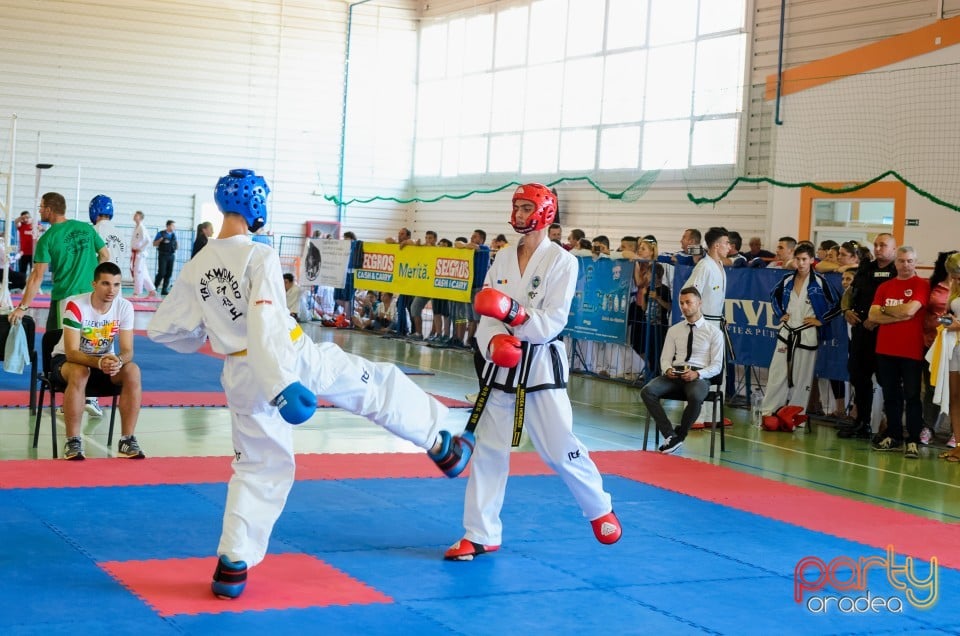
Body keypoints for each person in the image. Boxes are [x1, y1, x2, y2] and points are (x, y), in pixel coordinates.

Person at [147, 169, 474, 599]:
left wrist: (214, 332)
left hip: (239, 375)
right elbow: (264, 324)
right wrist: (281, 384)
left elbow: (165, 330)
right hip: (289, 360)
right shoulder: (258, 256)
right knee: (376, 385)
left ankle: (233, 564)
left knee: (256, 466)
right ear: (255, 205)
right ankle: (443, 445)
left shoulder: (197, 264)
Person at [444, 183, 621, 562]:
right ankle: (480, 533)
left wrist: (514, 315)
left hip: (540, 364)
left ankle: (598, 506)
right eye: (517, 207)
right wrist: (492, 342)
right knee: (490, 451)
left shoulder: (563, 261)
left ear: (545, 212)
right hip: (501, 365)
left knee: (560, 447)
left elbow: (554, 320)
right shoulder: (502, 257)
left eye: (527, 208)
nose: (520, 214)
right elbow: (486, 315)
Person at [54, 262, 145, 460]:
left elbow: (128, 351)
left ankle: (127, 440)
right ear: (94, 284)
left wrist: (118, 361)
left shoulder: (124, 307)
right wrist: (99, 362)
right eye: (105, 284)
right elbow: (71, 352)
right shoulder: (76, 306)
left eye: (116, 285)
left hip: (104, 363)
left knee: (133, 371)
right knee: (80, 371)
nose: (111, 290)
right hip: (68, 363)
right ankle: (73, 441)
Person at [759, 243, 841, 420]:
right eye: (798, 259)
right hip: (786, 331)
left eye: (805, 259)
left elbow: (838, 304)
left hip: (807, 332)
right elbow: (774, 296)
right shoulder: (787, 279)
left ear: (812, 260)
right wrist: (780, 313)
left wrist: (821, 320)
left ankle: (796, 415)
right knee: (777, 372)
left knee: (803, 377)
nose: (801, 263)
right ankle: (769, 412)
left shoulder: (820, 281)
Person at [640, 286, 725, 453]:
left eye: (688, 302)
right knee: (647, 391)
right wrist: (667, 369)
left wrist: (698, 373)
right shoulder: (674, 330)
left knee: (695, 395)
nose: (684, 307)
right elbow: (665, 358)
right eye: (681, 303)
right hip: (675, 373)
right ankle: (670, 435)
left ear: (699, 303)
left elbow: (717, 365)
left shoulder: (714, 333)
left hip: (699, 375)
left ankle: (680, 435)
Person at [8, 192, 109, 332]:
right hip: (91, 295)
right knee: (87, 343)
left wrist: (22, 307)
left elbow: (37, 276)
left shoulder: (47, 239)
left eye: (41, 207)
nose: (39, 210)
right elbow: (105, 255)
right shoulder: (86, 228)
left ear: (49, 210)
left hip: (66, 297)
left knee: (59, 345)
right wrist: (90, 275)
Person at [868, 246, 929, 458]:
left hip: (911, 351)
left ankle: (913, 439)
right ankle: (893, 435)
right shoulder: (885, 286)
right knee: (890, 395)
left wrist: (887, 311)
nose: (905, 265)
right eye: (902, 261)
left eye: (910, 261)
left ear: (915, 262)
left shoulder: (921, 285)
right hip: (885, 349)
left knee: (912, 396)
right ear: (895, 263)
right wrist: (898, 314)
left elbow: (911, 311)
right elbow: (873, 315)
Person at [837, 233, 897, 440]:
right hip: (861, 330)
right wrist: (846, 310)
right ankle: (861, 422)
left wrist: (879, 319)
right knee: (858, 376)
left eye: (884, 245)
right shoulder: (865, 268)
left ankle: (891, 427)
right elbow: (849, 292)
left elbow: (900, 305)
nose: (879, 249)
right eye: (877, 245)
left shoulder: (897, 271)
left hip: (885, 333)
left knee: (887, 380)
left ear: (893, 249)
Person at [682, 226, 730, 424]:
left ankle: (713, 415)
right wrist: (695, 321)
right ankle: (695, 416)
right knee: (700, 368)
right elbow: (689, 292)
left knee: (716, 369)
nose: (729, 247)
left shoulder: (718, 265)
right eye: (727, 243)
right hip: (704, 323)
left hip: (716, 323)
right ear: (717, 245)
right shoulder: (704, 266)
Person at [927, 252, 960, 458]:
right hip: (954, 348)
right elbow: (952, 316)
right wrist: (947, 320)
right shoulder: (954, 290)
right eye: (953, 275)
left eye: (958, 275)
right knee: (955, 397)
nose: (955, 279)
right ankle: (959, 444)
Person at [90, 195, 130, 271]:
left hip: (98, 278)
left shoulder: (93, 231)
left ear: (93, 211)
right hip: (116, 279)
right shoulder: (121, 234)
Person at [129, 211, 158, 298]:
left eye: (136, 215)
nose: (134, 216)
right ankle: (152, 291)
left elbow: (148, 240)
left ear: (140, 218)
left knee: (137, 272)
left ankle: (136, 293)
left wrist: (140, 248)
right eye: (134, 215)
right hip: (136, 253)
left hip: (140, 254)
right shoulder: (137, 227)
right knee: (143, 273)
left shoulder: (142, 228)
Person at [153, 219, 177, 295]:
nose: (174, 227)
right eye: (173, 225)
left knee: (169, 273)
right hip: (163, 255)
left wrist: (175, 246)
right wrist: (160, 240)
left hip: (171, 255)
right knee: (162, 272)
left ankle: (164, 289)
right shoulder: (161, 233)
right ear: (168, 226)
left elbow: (176, 245)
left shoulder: (173, 235)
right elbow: (154, 244)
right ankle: (155, 287)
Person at [15, 210, 35, 275]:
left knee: (33, 272)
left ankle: (31, 285)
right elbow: (16, 222)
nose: (25, 219)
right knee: (22, 272)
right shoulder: (21, 226)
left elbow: (42, 228)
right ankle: (22, 284)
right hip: (23, 253)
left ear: (30, 217)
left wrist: (39, 228)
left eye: (27, 218)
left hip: (33, 253)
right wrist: (21, 218)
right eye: (24, 218)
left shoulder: (34, 225)